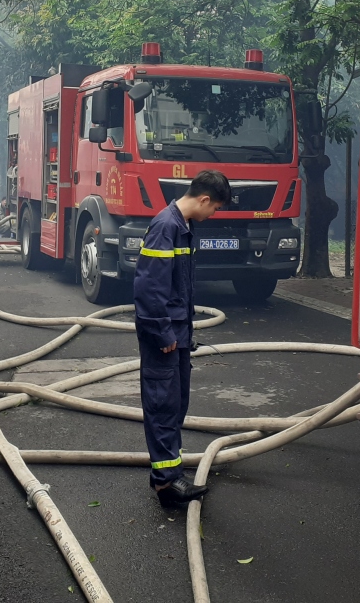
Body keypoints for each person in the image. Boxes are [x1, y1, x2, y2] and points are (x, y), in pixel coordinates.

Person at [133, 170, 231, 506]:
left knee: (174, 405)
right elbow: (149, 288)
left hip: (176, 334)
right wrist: (162, 331)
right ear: (204, 199)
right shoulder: (166, 227)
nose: (212, 214)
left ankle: (168, 477)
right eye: (214, 208)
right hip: (164, 335)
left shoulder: (183, 227)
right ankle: (166, 484)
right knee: (162, 406)